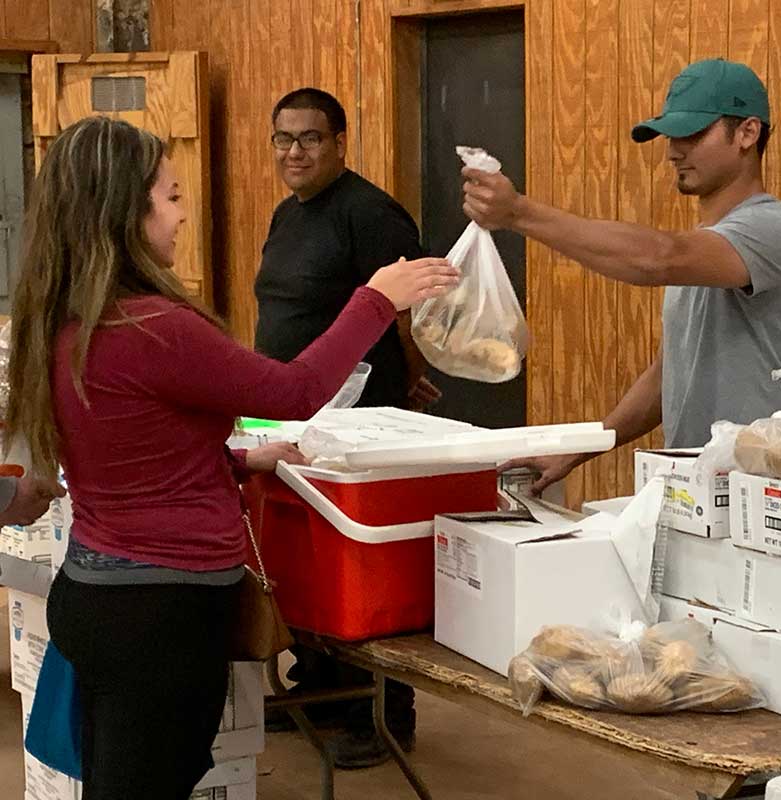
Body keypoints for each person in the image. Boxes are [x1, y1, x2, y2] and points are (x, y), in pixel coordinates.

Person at [6, 116, 457, 799]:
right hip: (163, 609)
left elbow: (135, 443)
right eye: (171, 196)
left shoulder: (60, 317)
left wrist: (241, 460)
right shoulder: (153, 326)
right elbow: (294, 389)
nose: (183, 213)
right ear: (126, 209)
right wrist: (376, 300)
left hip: (98, 592)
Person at [463, 59, 781, 492]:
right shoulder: (704, 250)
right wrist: (581, 446)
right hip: (696, 491)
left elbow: (657, 258)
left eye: (692, 133)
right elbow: (671, 373)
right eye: (670, 136)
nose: (674, 150)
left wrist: (519, 212)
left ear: (747, 133)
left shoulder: (774, 231)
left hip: (765, 493)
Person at [253, 87, 429, 767]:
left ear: (339, 143)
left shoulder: (369, 212)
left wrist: (410, 373)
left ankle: (380, 714)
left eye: (310, 138)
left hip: (359, 422)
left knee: (361, 569)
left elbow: (406, 306)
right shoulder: (286, 214)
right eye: (283, 139)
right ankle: (318, 689)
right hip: (290, 417)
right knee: (304, 563)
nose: (295, 152)